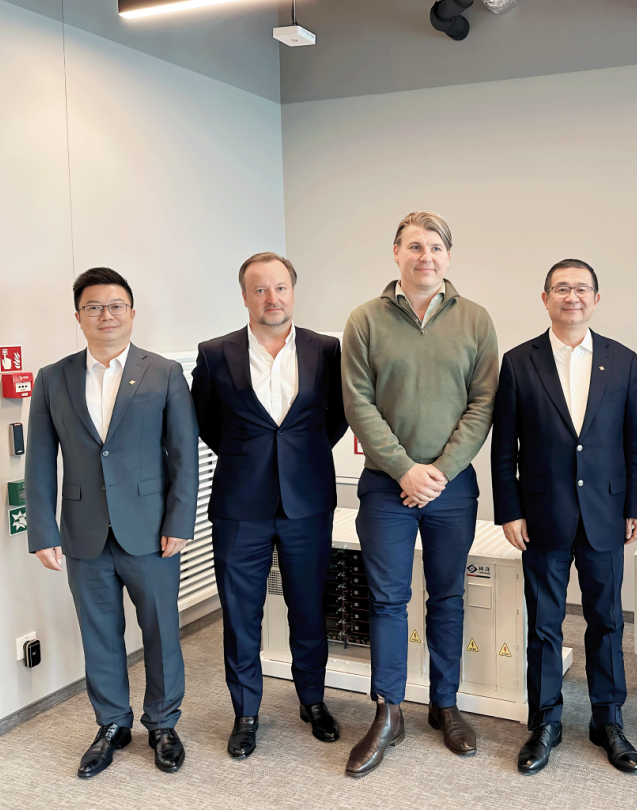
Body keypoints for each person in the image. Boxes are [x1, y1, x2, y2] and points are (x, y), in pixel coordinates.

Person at [341, 211, 498, 777]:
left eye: (435, 247)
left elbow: (483, 403)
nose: (425, 256)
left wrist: (438, 473)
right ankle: (388, 712)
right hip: (386, 488)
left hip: (452, 489)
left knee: (447, 597)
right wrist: (406, 470)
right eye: (414, 246)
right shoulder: (365, 320)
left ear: (448, 256)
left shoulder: (476, 320)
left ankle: (444, 704)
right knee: (387, 600)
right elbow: (357, 402)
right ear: (396, 253)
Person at [25, 267, 198, 777]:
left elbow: (184, 453)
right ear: (78, 316)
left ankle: (163, 724)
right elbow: (39, 460)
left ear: (132, 312)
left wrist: (180, 520)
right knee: (99, 633)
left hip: (151, 529)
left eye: (116, 305)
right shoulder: (52, 377)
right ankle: (112, 724)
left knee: (162, 630)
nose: (106, 315)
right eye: (94, 307)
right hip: (83, 531)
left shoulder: (164, 372)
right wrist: (43, 530)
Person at [491, 259, 637, 775]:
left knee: (606, 620)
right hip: (542, 514)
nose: (572, 297)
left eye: (582, 288)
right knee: (544, 622)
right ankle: (545, 721)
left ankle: (608, 720)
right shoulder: (519, 362)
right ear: (545, 298)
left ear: (596, 299)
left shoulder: (622, 360)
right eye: (562, 288)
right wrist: (509, 510)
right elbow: (504, 448)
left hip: (607, 512)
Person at [191, 252, 347, 759]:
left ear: (293, 292)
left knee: (309, 608)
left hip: (308, 501)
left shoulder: (327, 350)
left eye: (280, 287)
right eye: (259, 289)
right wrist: (250, 458)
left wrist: (301, 456)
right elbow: (205, 422)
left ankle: (313, 700)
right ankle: (246, 713)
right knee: (241, 615)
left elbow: (338, 417)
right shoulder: (215, 353)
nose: (271, 298)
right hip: (240, 505)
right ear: (244, 297)